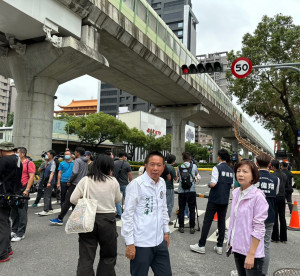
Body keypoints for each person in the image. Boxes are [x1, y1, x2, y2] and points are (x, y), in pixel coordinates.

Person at [70, 154, 122, 276]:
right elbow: (118, 199)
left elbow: (73, 199)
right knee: (108, 255)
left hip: (88, 218)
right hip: (107, 220)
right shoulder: (112, 181)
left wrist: (87, 203)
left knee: (86, 256)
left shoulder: (86, 180)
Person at [121, 151, 172, 276]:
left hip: (159, 242)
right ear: (145, 165)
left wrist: (166, 231)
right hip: (141, 244)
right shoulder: (136, 185)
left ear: (163, 167)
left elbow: (163, 208)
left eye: (159, 165)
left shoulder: (162, 183)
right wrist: (129, 243)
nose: (155, 168)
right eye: (152, 164)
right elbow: (127, 215)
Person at [227, 160, 269, 276]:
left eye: (245, 171)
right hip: (237, 248)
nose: (240, 174)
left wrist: (251, 254)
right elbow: (234, 221)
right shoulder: (236, 193)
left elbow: (259, 228)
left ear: (253, 176)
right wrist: (231, 240)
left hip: (252, 251)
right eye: (238, 171)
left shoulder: (258, 197)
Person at [190, 149, 233, 255]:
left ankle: (201, 245)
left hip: (214, 199)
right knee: (221, 222)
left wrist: (209, 184)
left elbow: (213, 183)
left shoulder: (216, 168)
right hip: (224, 199)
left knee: (207, 221)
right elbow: (232, 186)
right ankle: (219, 246)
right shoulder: (231, 170)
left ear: (219, 157)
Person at [49, 147, 88, 225]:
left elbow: (75, 172)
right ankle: (79, 219)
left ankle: (60, 218)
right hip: (83, 183)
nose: (74, 154)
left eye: (75, 152)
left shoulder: (77, 160)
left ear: (78, 153)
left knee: (68, 200)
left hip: (75, 183)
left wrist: (70, 180)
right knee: (78, 201)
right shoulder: (86, 161)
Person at [255, 153, 279, 276]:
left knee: (251, 243)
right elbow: (276, 193)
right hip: (270, 215)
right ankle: (263, 273)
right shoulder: (276, 179)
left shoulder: (253, 178)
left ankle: (251, 271)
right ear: (269, 165)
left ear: (257, 164)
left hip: (254, 216)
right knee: (266, 246)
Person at [0, 142, 23, 262]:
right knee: (6, 221)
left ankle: (2, 253)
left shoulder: (3, 161)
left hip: (2, 195)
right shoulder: (17, 159)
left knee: (1, 223)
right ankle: (7, 248)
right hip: (12, 195)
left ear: (3, 150)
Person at [11, 147, 36, 242]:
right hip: (15, 189)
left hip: (23, 188)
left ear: (23, 154)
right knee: (14, 211)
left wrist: (27, 189)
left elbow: (32, 176)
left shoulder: (29, 163)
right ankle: (14, 229)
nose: (15, 154)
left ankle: (21, 233)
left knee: (22, 212)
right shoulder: (16, 163)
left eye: (17, 152)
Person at [177, 152, 198, 234]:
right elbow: (196, 174)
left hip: (181, 191)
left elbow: (178, 175)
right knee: (192, 209)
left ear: (183, 159)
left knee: (181, 209)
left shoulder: (179, 167)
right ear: (190, 159)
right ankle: (192, 227)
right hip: (191, 190)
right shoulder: (194, 166)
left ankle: (181, 227)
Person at [270, 160, 287, 243]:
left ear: (273, 166)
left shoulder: (273, 175)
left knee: (275, 217)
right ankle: (284, 238)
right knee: (282, 217)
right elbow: (286, 186)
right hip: (283, 197)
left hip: (275, 197)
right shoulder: (284, 175)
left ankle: (275, 237)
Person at [37, 150, 57, 216]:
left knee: (46, 196)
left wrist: (49, 182)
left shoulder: (53, 163)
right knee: (48, 195)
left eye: (47, 154)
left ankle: (45, 210)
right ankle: (50, 208)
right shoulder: (47, 162)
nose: (46, 155)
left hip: (50, 181)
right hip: (47, 181)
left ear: (51, 155)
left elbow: (52, 173)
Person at [114, 152, 132, 219]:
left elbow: (111, 173)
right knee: (127, 199)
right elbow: (130, 174)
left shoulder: (114, 163)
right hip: (124, 184)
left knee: (117, 200)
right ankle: (128, 213)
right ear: (124, 156)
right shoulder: (127, 164)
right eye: (126, 157)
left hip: (116, 184)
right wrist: (131, 182)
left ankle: (119, 214)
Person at [165, 154, 178, 225]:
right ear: (173, 161)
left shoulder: (163, 166)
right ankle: (167, 220)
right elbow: (175, 179)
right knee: (169, 204)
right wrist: (177, 174)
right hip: (169, 188)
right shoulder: (171, 168)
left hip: (161, 188)